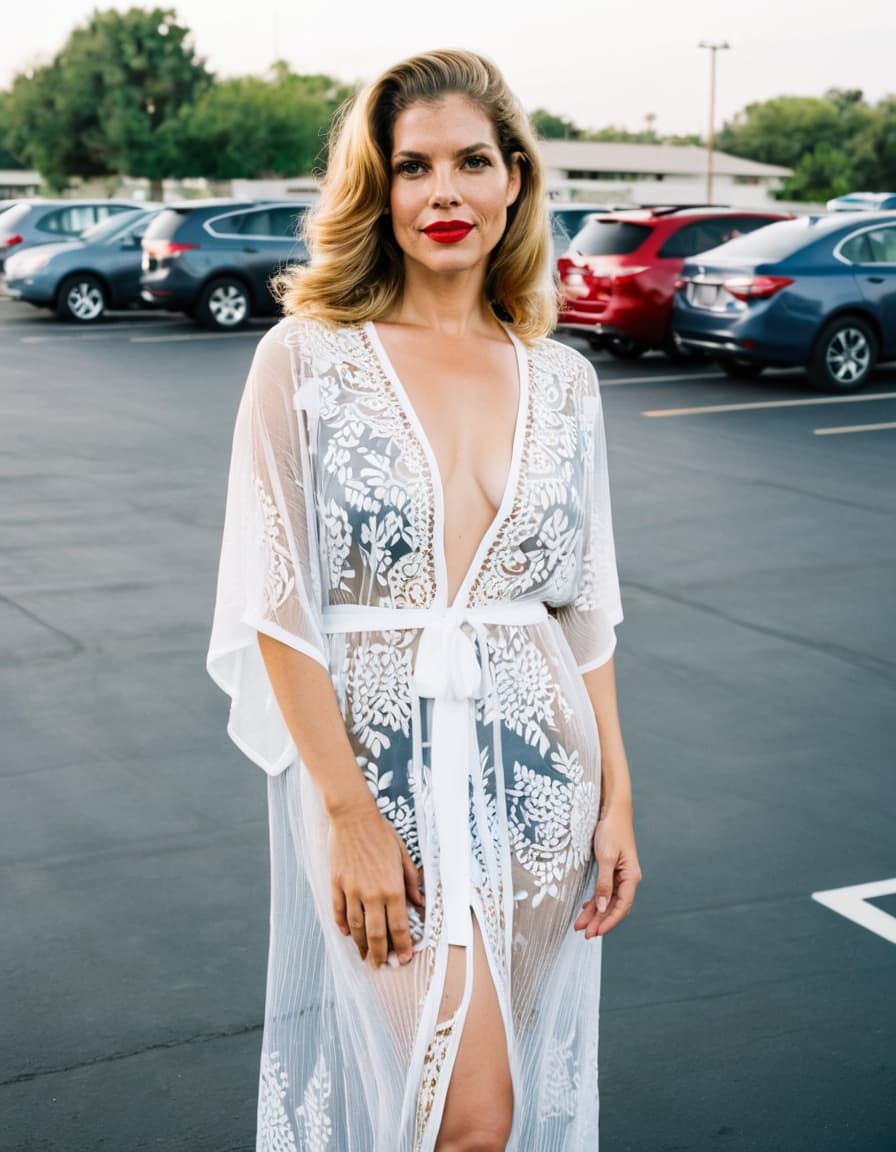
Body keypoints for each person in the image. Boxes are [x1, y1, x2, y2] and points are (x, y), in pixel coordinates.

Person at [207, 47, 641, 1152]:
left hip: (542, 785)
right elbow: (275, 605)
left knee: (472, 1112)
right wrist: (347, 815)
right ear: (378, 188)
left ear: (513, 184)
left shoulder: (563, 381)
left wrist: (618, 802)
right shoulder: (304, 360)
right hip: (380, 776)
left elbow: (584, 614)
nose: (442, 193)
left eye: (470, 162)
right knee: (465, 1114)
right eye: (412, 167)